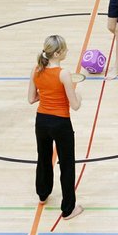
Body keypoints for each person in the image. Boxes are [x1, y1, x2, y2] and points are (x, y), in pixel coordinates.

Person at [28, 35, 83, 220]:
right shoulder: (63, 74)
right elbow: (74, 105)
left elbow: (31, 99)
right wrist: (79, 96)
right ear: (58, 53)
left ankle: (43, 194)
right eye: (65, 49)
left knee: (43, 158)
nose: (67, 52)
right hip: (60, 123)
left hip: (41, 121)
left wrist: (46, 95)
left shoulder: (36, 70)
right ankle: (68, 209)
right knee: (67, 165)